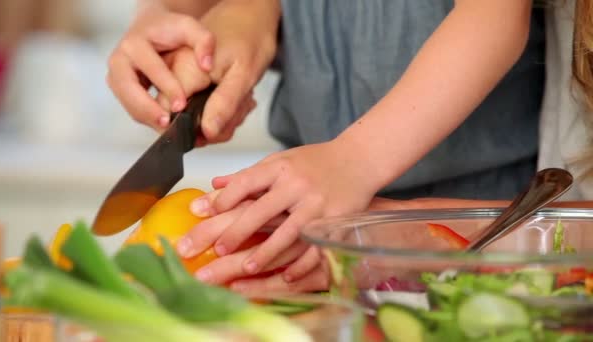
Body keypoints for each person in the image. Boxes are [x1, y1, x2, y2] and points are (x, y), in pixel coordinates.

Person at [107, 0, 547, 293]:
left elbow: (494, 18)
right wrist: (163, 17)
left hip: (482, 234)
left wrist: (356, 159)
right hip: (313, 228)